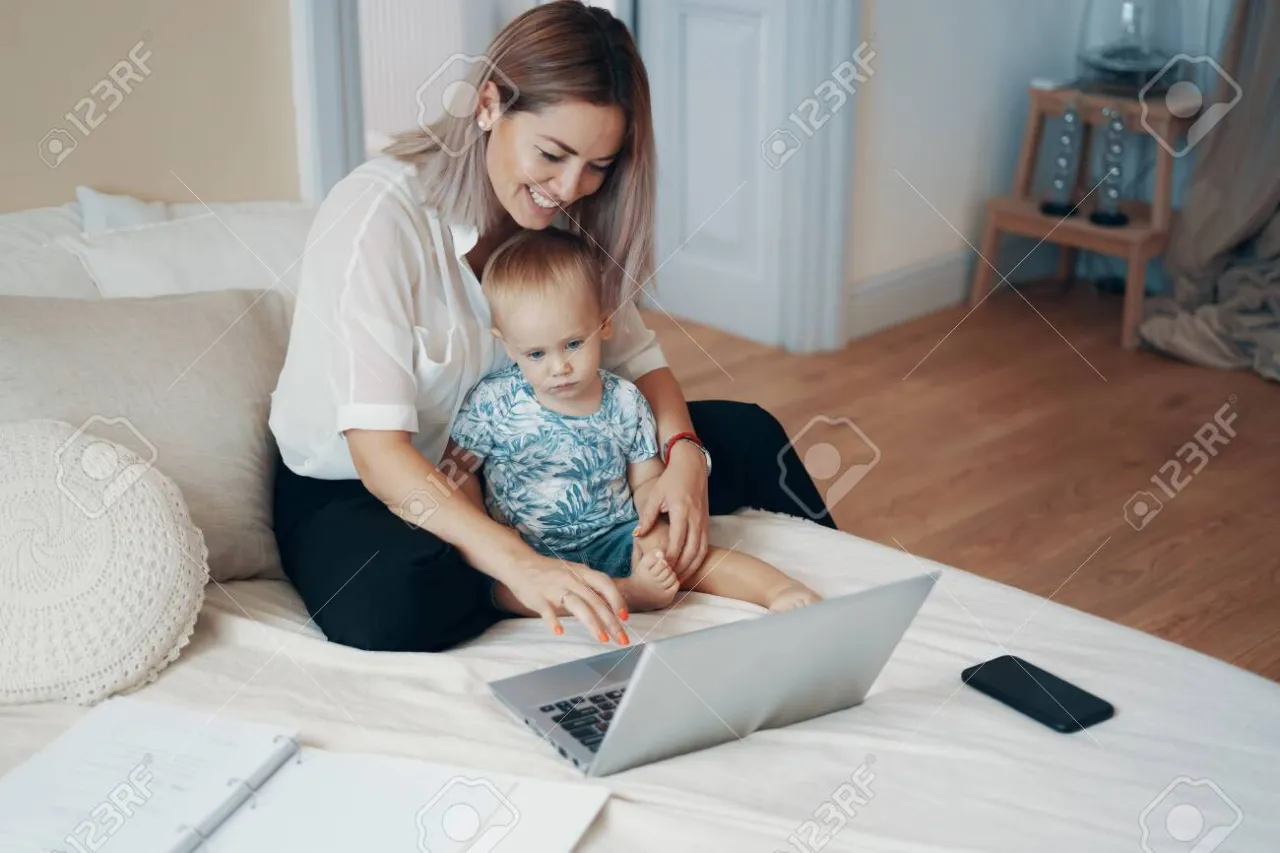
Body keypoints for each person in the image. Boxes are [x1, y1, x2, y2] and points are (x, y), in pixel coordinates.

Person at [267, 0, 837, 654]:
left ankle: (847, 625)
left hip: (529, 460)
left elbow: (643, 365)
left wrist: (682, 457)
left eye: (598, 166)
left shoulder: (560, 224)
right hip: (364, 483)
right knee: (393, 596)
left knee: (751, 435)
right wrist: (517, 560)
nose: (571, 187)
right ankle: (548, 582)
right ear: (488, 105)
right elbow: (379, 454)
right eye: (554, 154)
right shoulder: (378, 216)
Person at [443, 228, 822, 628]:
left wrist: (652, 531)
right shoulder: (492, 403)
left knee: (687, 559)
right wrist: (486, 537)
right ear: (506, 345)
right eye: (536, 353)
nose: (560, 367)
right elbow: (459, 470)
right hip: (526, 551)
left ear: (605, 324)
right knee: (498, 592)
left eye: (573, 343)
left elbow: (647, 481)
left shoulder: (625, 402)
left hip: (614, 537)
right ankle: (630, 594)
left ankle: (776, 589)